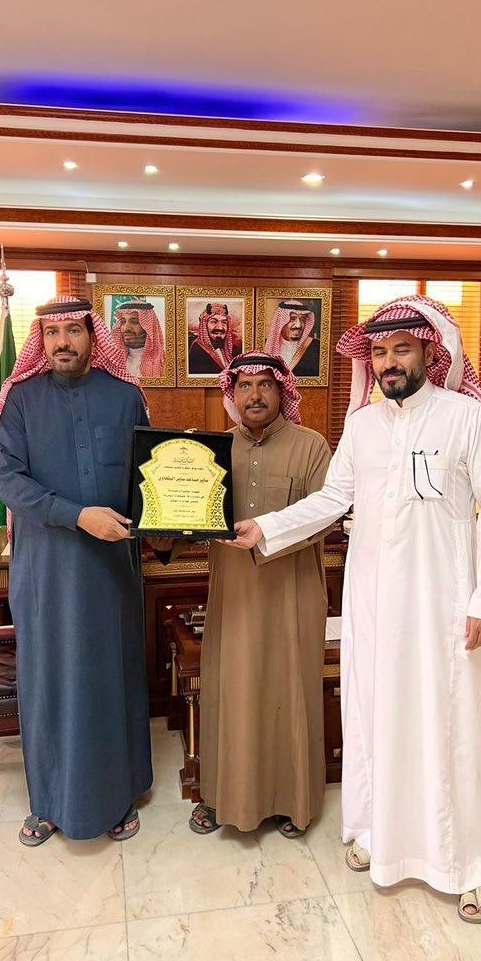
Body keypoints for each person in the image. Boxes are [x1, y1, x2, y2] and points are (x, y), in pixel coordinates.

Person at [229, 295, 481, 924]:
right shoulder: (362, 426)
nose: (388, 362)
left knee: (449, 725)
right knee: (375, 714)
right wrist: (267, 527)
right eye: (379, 352)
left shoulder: (466, 418)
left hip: (444, 604)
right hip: (374, 601)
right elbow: (333, 498)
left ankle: (470, 867)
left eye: (400, 350)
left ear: (428, 352)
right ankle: (376, 833)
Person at [0, 295, 153, 845]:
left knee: (111, 677)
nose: (62, 342)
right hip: (47, 573)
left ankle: (120, 794)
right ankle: (50, 802)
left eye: (74, 331)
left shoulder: (125, 397)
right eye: (52, 333)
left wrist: (172, 519)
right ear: (41, 340)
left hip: (110, 571)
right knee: (50, 680)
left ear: (92, 335)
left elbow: (146, 477)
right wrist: (78, 515)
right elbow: (10, 481)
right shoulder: (21, 401)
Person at [183, 350, 332, 836]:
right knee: (231, 690)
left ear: (282, 391)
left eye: (265, 384)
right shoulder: (212, 450)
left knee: (291, 690)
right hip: (234, 593)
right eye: (244, 386)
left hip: (292, 591)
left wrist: (267, 534)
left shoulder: (311, 446)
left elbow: (324, 516)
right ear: (231, 394)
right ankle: (221, 796)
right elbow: (190, 513)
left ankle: (293, 801)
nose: (254, 395)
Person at [110, 299, 165, 378]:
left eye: (134, 322)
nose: (126, 328)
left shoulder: (164, 363)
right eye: (123, 322)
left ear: (148, 327)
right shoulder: (112, 363)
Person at [265, 300, 320, 377]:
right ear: (281, 321)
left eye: (303, 320)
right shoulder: (265, 346)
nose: (298, 325)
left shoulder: (316, 346)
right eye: (292, 319)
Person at [188, 302, 242, 374]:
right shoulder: (197, 351)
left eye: (224, 322)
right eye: (214, 322)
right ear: (204, 326)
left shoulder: (234, 349)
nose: (220, 327)